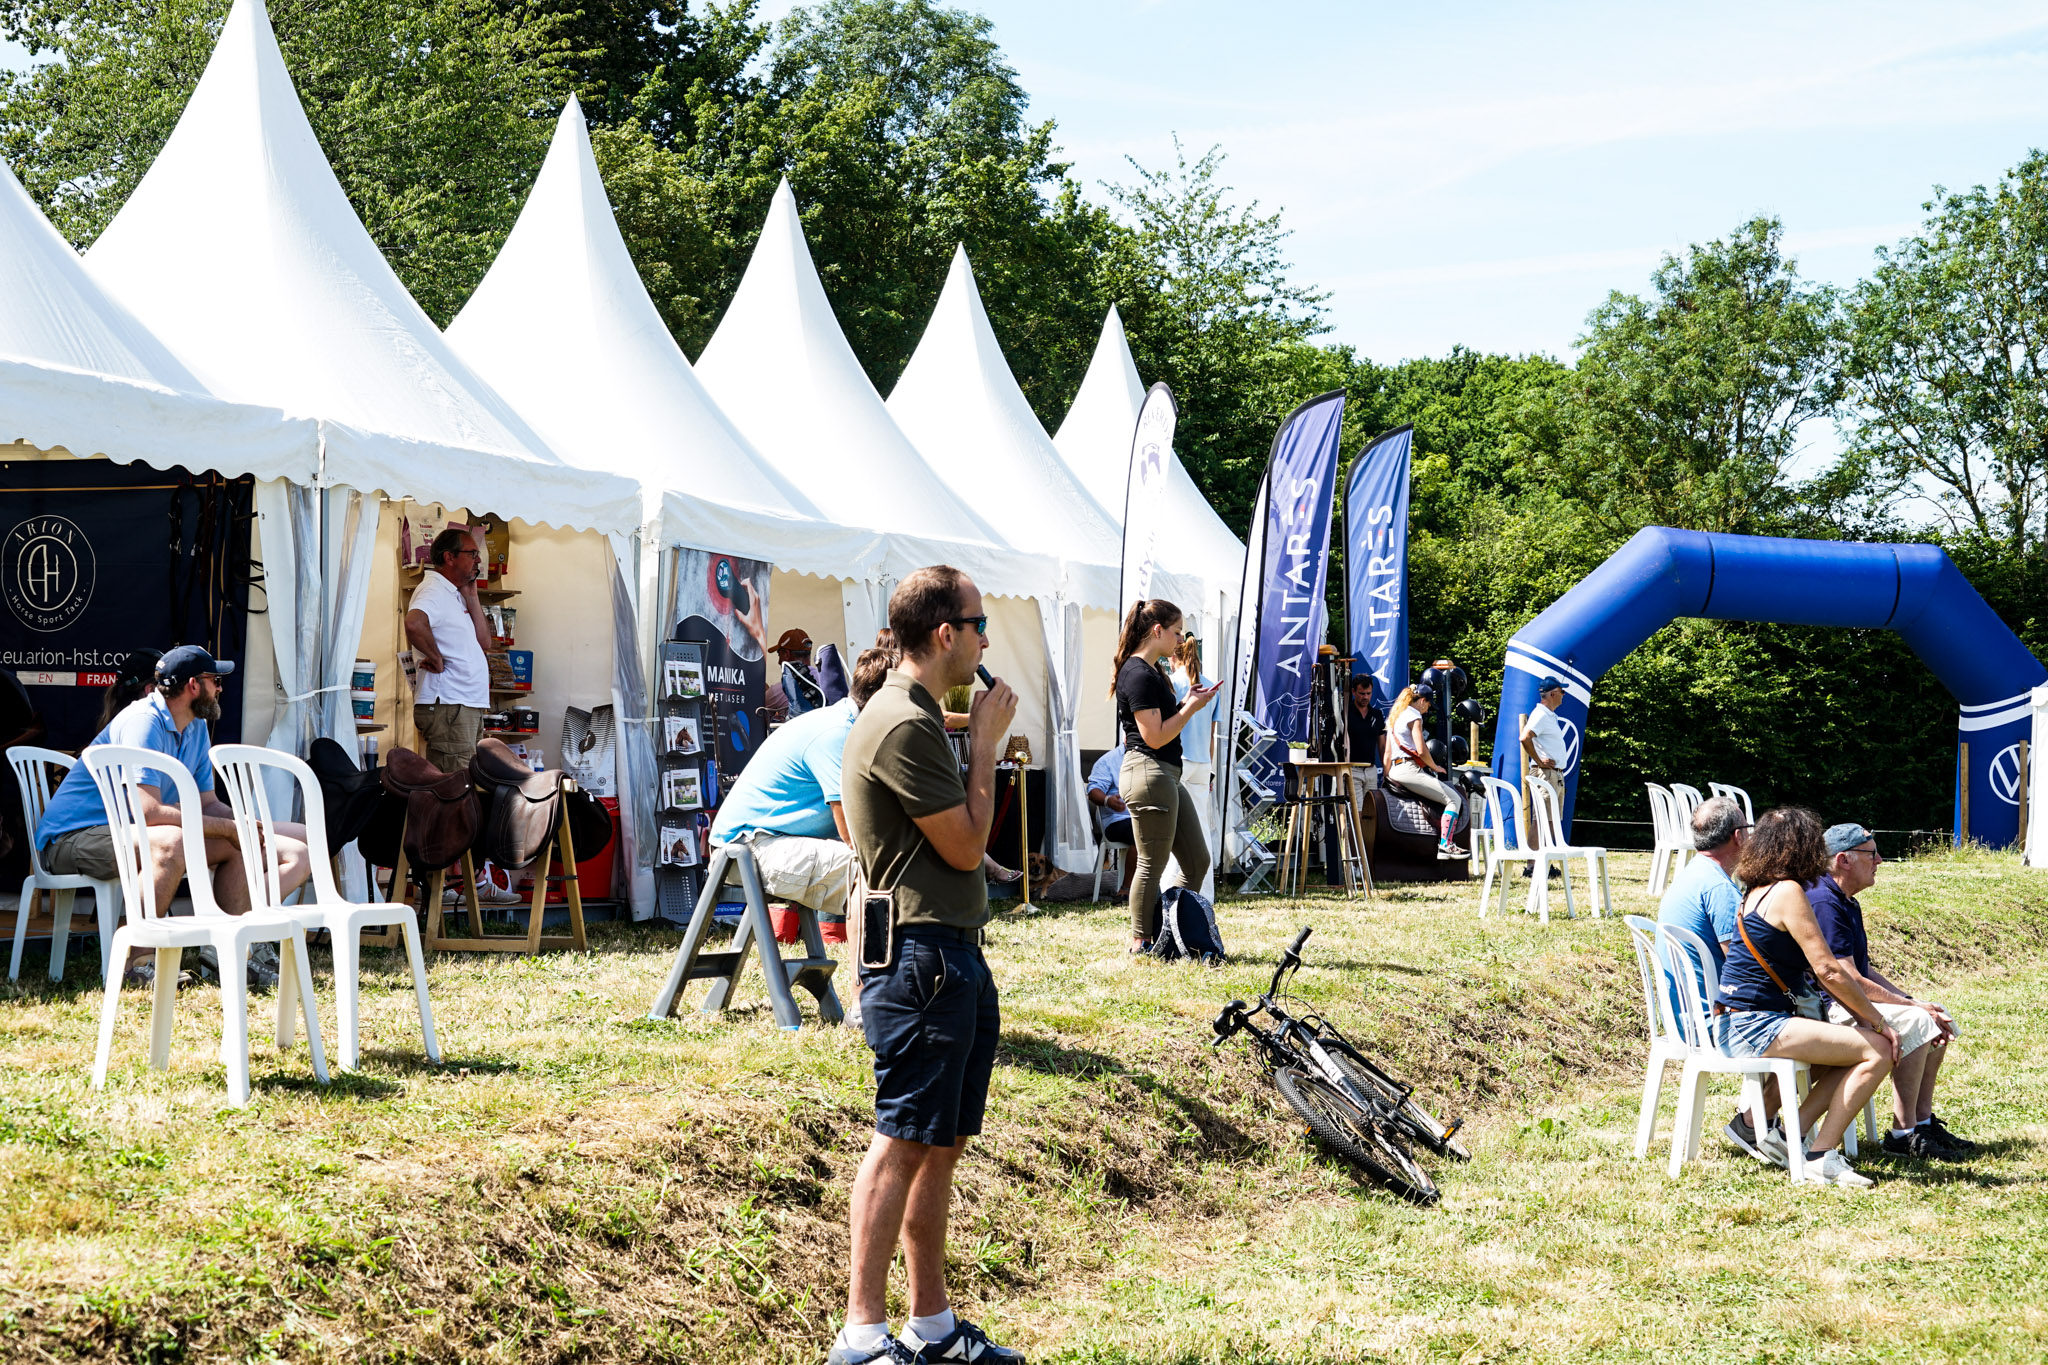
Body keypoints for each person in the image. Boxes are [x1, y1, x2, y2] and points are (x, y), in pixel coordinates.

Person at [834, 565, 1022, 1365]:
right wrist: (983, 746)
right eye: (979, 625)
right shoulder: (902, 723)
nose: (985, 640)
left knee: (938, 1141)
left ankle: (932, 1326)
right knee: (902, 1140)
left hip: (947, 953)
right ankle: (861, 1337)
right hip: (920, 957)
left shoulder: (913, 713)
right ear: (946, 633)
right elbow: (968, 845)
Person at [34, 646, 312, 990]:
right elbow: (148, 812)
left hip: (127, 831)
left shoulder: (195, 726)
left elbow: (207, 804)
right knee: (172, 842)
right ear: (194, 685)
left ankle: (227, 950)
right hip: (72, 838)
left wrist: (242, 825)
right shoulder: (143, 722)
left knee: (237, 843)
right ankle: (138, 963)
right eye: (216, 680)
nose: (220, 688)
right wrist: (226, 828)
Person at [1711, 806, 1898, 1188]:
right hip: (1754, 1025)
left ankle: (1783, 1133)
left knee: (1846, 1051)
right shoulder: (1789, 891)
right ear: (1803, 848)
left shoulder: (1758, 890)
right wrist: (1878, 1022)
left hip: (1736, 1019)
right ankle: (1818, 1156)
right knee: (1878, 1049)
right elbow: (1828, 971)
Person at [1808, 823, 1974, 1159]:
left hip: (1849, 1000)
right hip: (1832, 1007)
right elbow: (1848, 978)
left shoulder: (1845, 900)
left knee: (1937, 1015)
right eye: (1871, 854)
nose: (1880, 861)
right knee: (1919, 1021)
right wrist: (1911, 1008)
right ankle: (1903, 1134)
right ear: (1843, 860)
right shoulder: (1824, 901)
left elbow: (1863, 970)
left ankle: (1922, 1123)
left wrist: (1913, 1001)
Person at [710, 647, 896, 934]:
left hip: (763, 842)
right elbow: (850, 828)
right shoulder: (837, 733)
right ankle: (881, 959)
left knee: (889, 865)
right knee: (879, 872)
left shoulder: (843, 724)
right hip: (745, 849)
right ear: (884, 701)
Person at [1114, 599, 1220, 954]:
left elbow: (1163, 723)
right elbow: (1155, 736)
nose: (1180, 639)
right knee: (1151, 864)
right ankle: (1140, 943)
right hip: (1150, 773)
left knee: (1197, 861)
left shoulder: (1153, 672)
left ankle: (1169, 927)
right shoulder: (1138, 673)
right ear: (1157, 630)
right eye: (1176, 632)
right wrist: (1191, 708)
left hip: (1166, 774)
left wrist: (1188, 700)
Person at [405, 527, 493, 774]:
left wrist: (472, 597)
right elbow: (414, 623)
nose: (478, 559)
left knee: (466, 781)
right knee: (454, 785)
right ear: (449, 557)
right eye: (472, 553)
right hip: (450, 705)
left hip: (462, 704)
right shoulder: (434, 589)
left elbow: (484, 642)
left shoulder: (454, 593)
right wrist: (436, 658)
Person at [1384, 681, 1463, 857]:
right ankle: (1446, 845)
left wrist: (1386, 778)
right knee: (1454, 799)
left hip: (1395, 770)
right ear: (1422, 701)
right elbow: (1421, 751)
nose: (1427, 710)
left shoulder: (1394, 717)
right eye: (1428, 705)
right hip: (1408, 770)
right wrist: (1435, 767)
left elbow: (1387, 753)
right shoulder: (1414, 716)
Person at [1085, 744, 1135, 899]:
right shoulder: (1109, 760)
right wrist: (1108, 800)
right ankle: (1126, 890)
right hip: (1118, 819)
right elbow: (1093, 791)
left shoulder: (1153, 756)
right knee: (1143, 831)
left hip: (1145, 817)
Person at [1519, 676, 1569, 814]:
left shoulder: (1548, 715)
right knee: (1543, 821)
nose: (1563, 694)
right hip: (1547, 774)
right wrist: (1540, 762)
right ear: (1553, 694)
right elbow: (1524, 737)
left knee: (1551, 822)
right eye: (1562, 691)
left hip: (1554, 774)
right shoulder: (1540, 714)